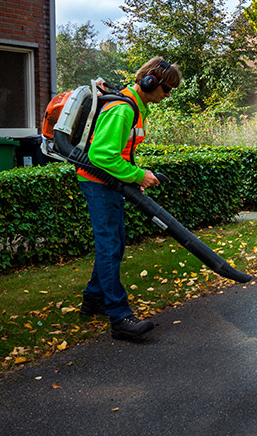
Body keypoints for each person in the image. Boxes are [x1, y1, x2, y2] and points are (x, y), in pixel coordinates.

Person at [78, 57, 182, 341]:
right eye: (167, 89)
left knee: (116, 242)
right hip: (98, 184)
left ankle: (93, 300)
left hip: (109, 182)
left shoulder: (134, 106)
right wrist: (137, 176)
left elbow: (121, 154)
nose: (168, 95)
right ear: (150, 82)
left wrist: (135, 177)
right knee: (110, 246)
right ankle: (120, 317)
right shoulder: (123, 109)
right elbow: (101, 156)